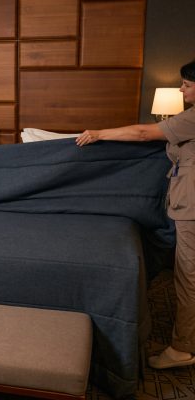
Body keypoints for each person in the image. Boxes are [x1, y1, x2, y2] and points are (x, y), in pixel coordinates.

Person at [76, 59, 195, 369]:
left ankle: (183, 347)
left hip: (192, 208)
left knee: (188, 277)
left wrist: (99, 133)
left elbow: (144, 134)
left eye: (187, 84)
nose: (181, 89)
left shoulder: (192, 118)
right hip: (187, 203)